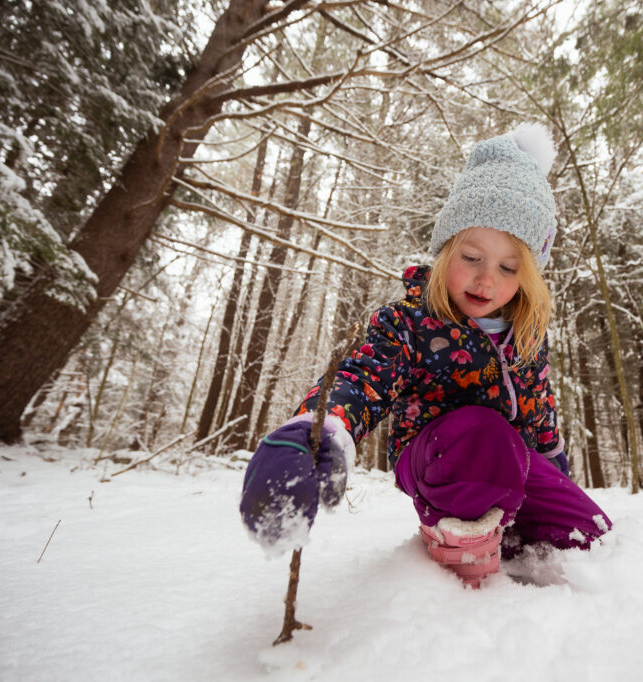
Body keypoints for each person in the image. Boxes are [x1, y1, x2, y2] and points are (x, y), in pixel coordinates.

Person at [240, 123, 612, 587]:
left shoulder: (526, 333)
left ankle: (511, 528)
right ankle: (460, 546)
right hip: (435, 455)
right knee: (486, 433)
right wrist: (317, 433)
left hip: (509, 459)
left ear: (527, 276)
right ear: (445, 249)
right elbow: (361, 378)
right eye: (471, 257)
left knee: (590, 535)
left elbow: (538, 401)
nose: (485, 280)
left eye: (507, 267)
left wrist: (553, 468)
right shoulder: (410, 321)